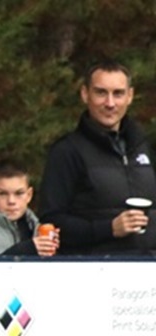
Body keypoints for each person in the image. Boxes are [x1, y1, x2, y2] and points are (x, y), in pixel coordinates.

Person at [37, 59, 156, 255]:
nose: (110, 103)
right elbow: (52, 221)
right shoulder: (67, 151)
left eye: (118, 93)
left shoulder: (144, 147)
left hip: (148, 273)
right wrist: (108, 228)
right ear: (85, 94)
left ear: (130, 96)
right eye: (101, 93)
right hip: (93, 273)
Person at [0, 159, 59, 256]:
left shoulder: (39, 227)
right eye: (2, 194)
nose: (11, 201)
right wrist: (27, 249)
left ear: (29, 195)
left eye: (19, 193)